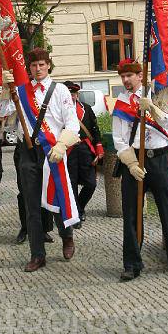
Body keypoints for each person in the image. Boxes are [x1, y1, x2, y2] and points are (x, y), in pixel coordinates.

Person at [0, 47, 80, 272]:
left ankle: (67, 235)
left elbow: (72, 123)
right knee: (31, 203)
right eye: (34, 65)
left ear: (48, 65)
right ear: (29, 68)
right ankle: (37, 254)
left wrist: (62, 145)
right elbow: (1, 110)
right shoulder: (21, 91)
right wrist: (6, 89)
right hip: (27, 152)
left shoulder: (60, 90)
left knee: (58, 197)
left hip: (52, 150)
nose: (38, 69)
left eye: (42, 64)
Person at [112, 58, 168, 281]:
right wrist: (132, 164)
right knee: (131, 214)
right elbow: (118, 138)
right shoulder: (121, 103)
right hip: (135, 162)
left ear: (139, 75)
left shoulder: (159, 94)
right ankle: (132, 263)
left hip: (160, 159)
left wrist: (152, 107)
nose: (126, 80)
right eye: (123, 76)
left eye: (130, 76)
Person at [64, 81, 104, 226]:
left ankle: (79, 207)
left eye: (73, 94)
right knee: (72, 183)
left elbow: (95, 129)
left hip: (85, 149)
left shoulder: (86, 109)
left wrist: (99, 149)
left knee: (91, 184)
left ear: (77, 94)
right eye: (69, 94)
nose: (71, 97)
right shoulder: (59, 110)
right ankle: (76, 214)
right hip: (68, 150)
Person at [13, 123, 54, 245]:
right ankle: (25, 228)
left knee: (45, 189)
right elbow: (5, 116)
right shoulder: (19, 102)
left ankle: (44, 229)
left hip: (45, 148)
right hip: (24, 148)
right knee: (24, 191)